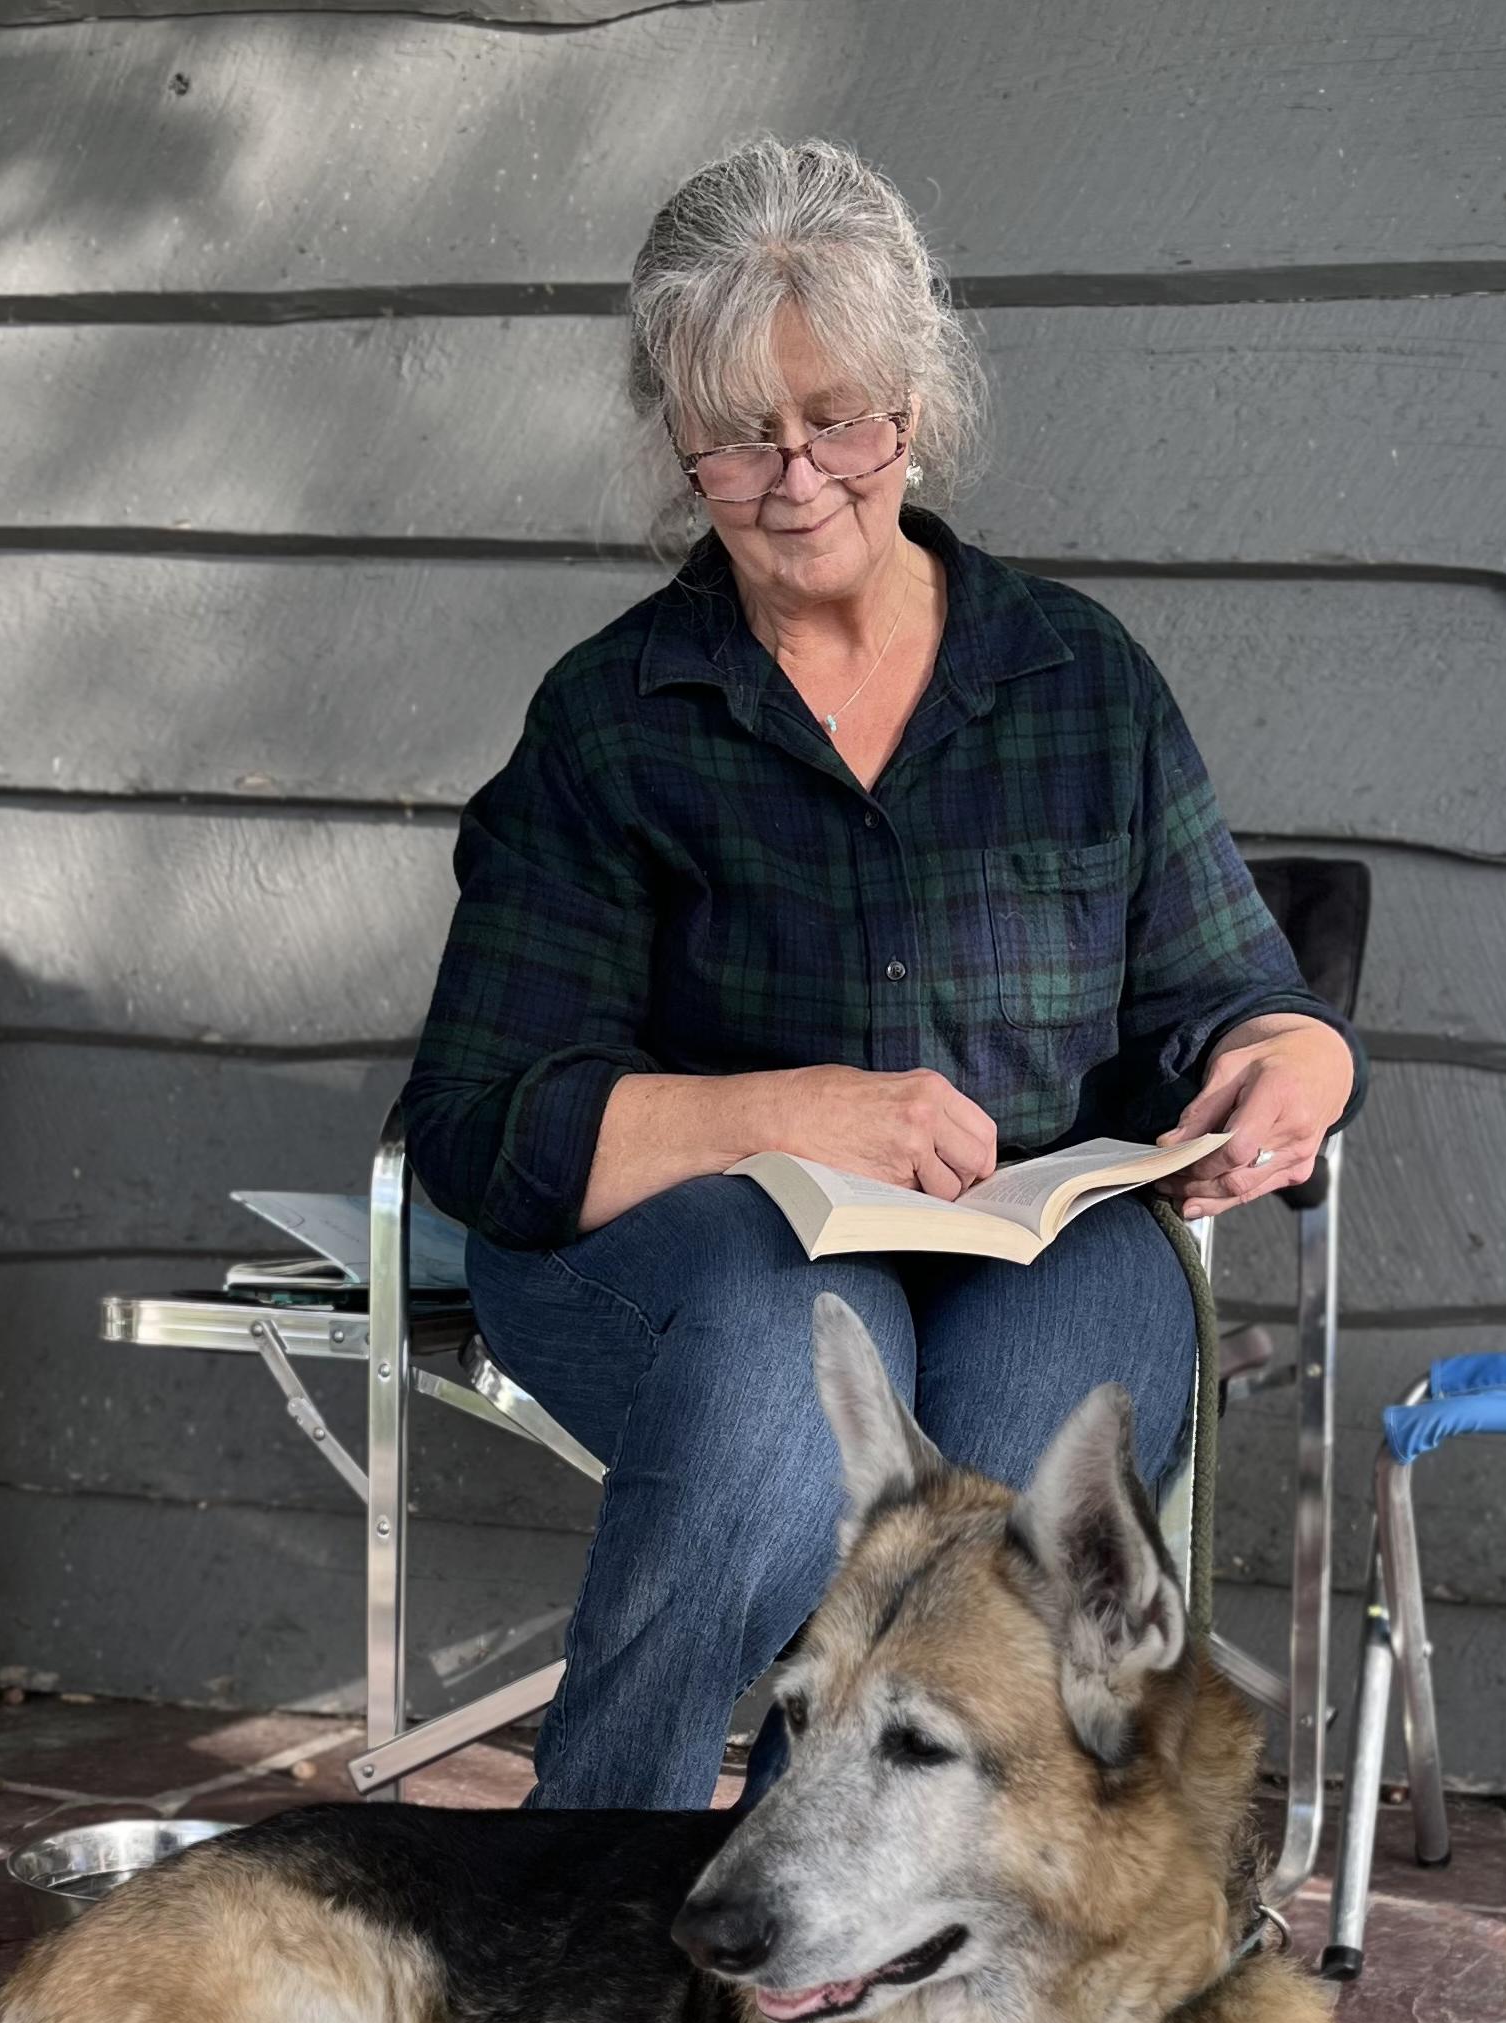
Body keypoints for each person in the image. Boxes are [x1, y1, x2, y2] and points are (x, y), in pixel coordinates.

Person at [402, 138, 1360, 1810]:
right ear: (672, 438)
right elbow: (490, 1126)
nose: (794, 476)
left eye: (837, 417)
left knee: (1013, 1450)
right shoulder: (613, 719)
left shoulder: (1076, 684)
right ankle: (578, 1906)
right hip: (686, 1254)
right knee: (798, 1371)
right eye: (734, 435)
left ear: (914, 407)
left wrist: (1296, 1064)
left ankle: (842, 1924)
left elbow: (1228, 1000)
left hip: (1034, 1251)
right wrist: (786, 1114)